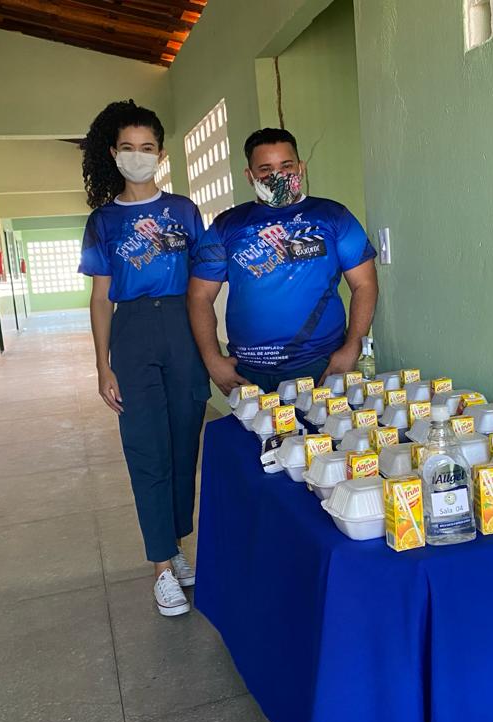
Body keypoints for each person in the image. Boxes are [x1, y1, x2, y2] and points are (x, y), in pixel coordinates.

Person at [78, 100, 209, 617]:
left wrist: (210, 345)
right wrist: (102, 364)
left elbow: (204, 280)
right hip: (131, 331)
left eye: (147, 147)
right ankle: (160, 567)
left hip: (181, 325)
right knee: (146, 447)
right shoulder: (103, 221)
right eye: (128, 147)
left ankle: (174, 545)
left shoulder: (184, 211)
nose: (138, 155)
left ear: (161, 154)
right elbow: (99, 297)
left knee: (183, 443)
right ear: (114, 154)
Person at [187, 127, 378, 395]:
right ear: (249, 176)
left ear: (301, 168)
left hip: (320, 365)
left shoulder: (333, 216)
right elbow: (199, 295)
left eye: (286, 166)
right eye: (265, 169)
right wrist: (212, 360)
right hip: (248, 371)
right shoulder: (228, 225)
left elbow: (365, 284)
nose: (277, 176)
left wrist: (352, 347)